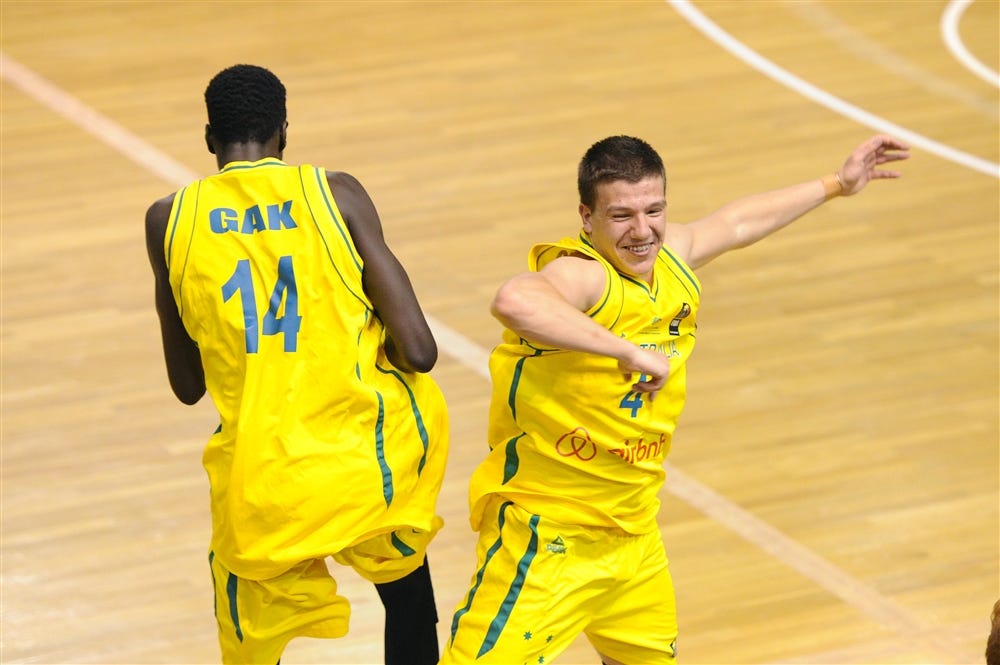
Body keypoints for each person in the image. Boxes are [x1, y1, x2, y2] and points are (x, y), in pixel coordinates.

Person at [439, 134, 909, 664]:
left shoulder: (670, 261)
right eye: (621, 215)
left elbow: (735, 224)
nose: (642, 231)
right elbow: (515, 299)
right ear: (586, 217)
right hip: (548, 540)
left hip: (635, 538)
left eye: (654, 210)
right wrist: (627, 351)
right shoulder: (583, 274)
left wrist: (835, 185)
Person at [144, 64, 448, 665]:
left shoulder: (168, 219)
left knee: (251, 638)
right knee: (409, 597)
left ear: (210, 139)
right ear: (285, 131)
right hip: (363, 464)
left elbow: (186, 387)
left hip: (263, 481)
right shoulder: (335, 194)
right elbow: (421, 351)